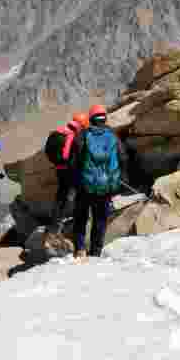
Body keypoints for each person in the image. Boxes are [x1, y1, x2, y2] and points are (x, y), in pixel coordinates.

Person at [66, 104, 128, 258]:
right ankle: (95, 252)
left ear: (91, 118)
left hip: (85, 186)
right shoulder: (112, 135)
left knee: (80, 217)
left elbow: (74, 162)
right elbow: (123, 157)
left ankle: (80, 248)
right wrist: (120, 179)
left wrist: (74, 183)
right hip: (106, 186)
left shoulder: (82, 135)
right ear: (105, 118)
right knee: (100, 220)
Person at [48, 112, 88, 235]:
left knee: (61, 195)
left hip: (59, 168)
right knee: (81, 193)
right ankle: (80, 219)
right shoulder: (74, 137)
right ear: (81, 125)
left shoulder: (58, 132)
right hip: (70, 170)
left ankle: (55, 224)